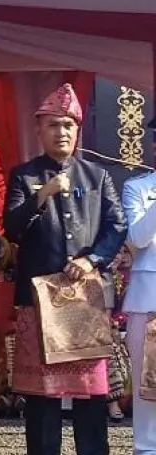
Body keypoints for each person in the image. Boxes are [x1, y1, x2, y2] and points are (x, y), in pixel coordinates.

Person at [4, 83, 126, 455]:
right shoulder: (24, 176)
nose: (62, 132)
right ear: (39, 130)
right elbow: (12, 229)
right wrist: (43, 194)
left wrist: (92, 259)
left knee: (91, 393)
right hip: (40, 301)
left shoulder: (97, 176)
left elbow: (117, 225)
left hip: (86, 298)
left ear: (77, 130)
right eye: (54, 125)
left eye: (68, 125)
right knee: (42, 396)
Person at [120, 167, 156, 451]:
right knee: (149, 381)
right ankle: (147, 448)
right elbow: (138, 238)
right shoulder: (138, 188)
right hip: (149, 296)